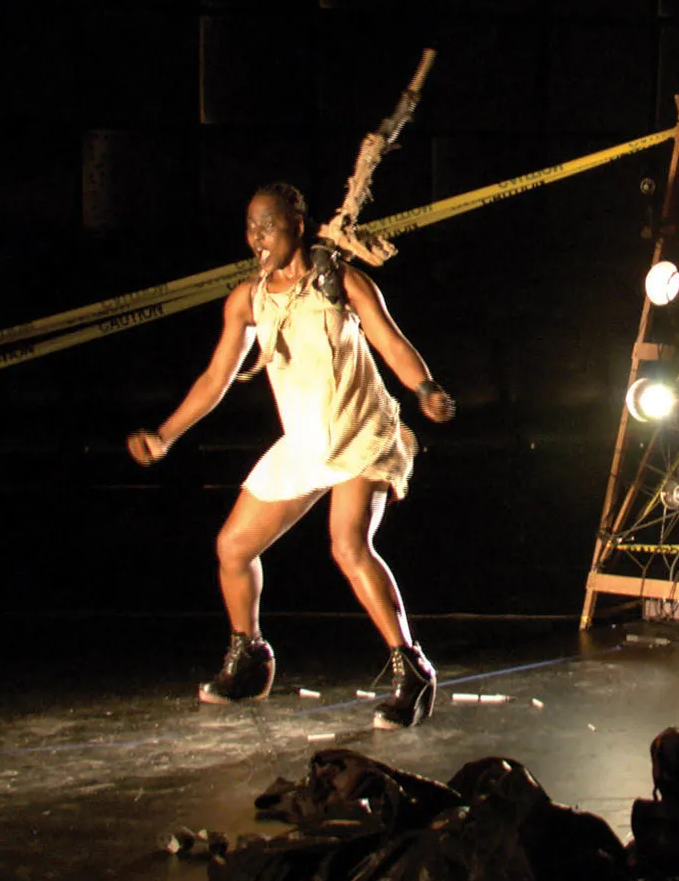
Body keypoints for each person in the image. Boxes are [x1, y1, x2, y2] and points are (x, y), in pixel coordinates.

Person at [127, 183, 456, 726]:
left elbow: (389, 340)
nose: (257, 237)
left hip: (361, 433)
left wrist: (424, 390)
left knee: (348, 545)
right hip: (306, 442)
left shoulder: (342, 282)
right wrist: (165, 436)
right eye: (251, 227)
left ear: (297, 223)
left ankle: (412, 669)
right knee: (233, 546)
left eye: (268, 224)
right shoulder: (247, 299)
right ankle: (250, 658)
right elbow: (216, 379)